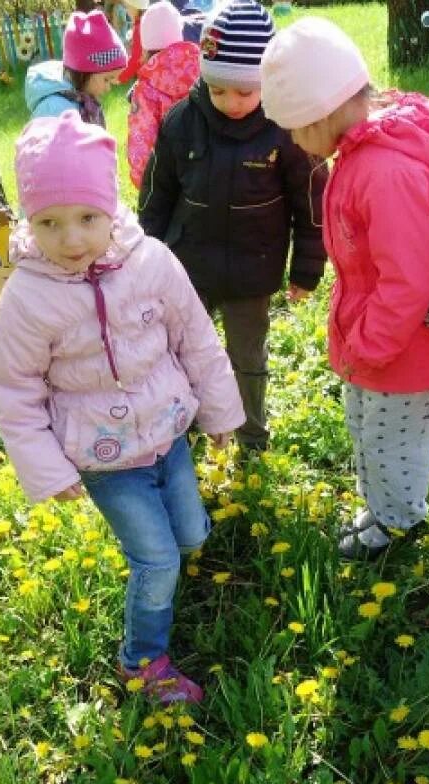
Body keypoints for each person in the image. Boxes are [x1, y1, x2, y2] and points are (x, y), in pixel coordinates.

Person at [0, 112, 244, 704]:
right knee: (155, 560)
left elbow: (196, 338)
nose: (71, 239)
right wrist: (48, 470)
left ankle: (169, 579)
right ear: (29, 220)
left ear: (112, 207)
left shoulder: (151, 262)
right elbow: (13, 388)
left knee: (190, 535)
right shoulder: (28, 296)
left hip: (170, 435)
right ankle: (142, 661)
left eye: (86, 219)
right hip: (104, 458)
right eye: (49, 223)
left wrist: (221, 413)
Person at [259, 18, 429, 560]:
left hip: (403, 352)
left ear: (327, 111)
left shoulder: (385, 173)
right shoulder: (357, 156)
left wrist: (370, 345)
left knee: (393, 446)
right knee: (371, 437)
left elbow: (409, 279)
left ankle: (398, 532)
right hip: (376, 347)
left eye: (298, 129)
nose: (298, 145)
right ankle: (383, 509)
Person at [139, 0, 327, 458]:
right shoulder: (181, 122)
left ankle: (252, 436)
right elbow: (157, 193)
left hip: (252, 273)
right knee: (181, 355)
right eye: (219, 89)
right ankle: (183, 431)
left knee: (248, 358)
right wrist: (144, 256)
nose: (232, 103)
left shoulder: (286, 129)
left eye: (246, 92)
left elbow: (310, 201)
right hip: (189, 271)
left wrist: (306, 269)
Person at [126, 1, 200, 189]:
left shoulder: (146, 89)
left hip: (164, 186)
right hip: (205, 182)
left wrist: (146, 186)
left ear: (146, 46)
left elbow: (141, 147)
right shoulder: (203, 73)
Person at [25, 10, 128, 127]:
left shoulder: (83, 99)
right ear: (84, 72)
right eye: (106, 79)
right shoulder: (54, 109)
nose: (108, 88)